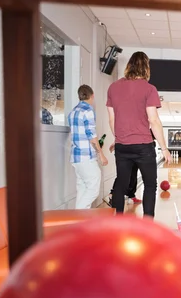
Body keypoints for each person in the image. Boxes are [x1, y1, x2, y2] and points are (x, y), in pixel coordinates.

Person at [106, 51, 171, 218]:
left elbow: (112, 120)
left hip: (122, 147)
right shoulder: (149, 89)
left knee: (121, 184)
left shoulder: (113, 87)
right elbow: (154, 120)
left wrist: (119, 138)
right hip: (143, 146)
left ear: (129, 66)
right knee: (150, 185)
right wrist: (164, 148)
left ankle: (118, 222)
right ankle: (148, 224)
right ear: (146, 68)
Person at [68, 84, 108, 209]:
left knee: (82, 188)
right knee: (93, 188)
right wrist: (101, 154)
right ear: (92, 96)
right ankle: (77, 217)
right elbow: (91, 135)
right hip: (86, 157)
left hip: (76, 157)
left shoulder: (72, 112)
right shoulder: (88, 111)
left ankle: (80, 222)